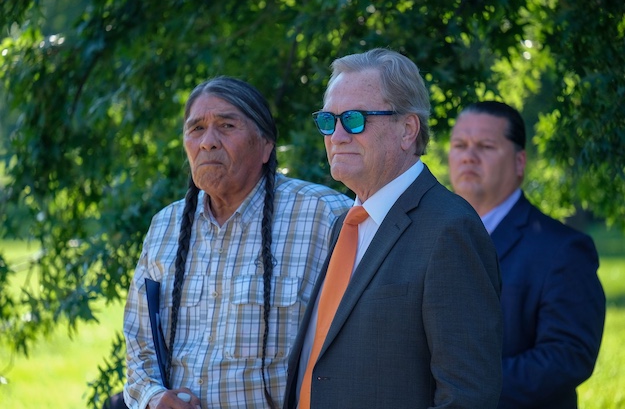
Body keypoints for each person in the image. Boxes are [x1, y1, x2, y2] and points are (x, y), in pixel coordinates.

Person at [283, 48, 503, 409]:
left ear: (407, 129)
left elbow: (467, 396)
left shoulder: (450, 229)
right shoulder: (345, 223)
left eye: (354, 119)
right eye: (328, 120)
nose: (337, 135)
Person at [122, 76, 352, 409]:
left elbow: (361, 348)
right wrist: (154, 398)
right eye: (196, 129)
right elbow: (139, 344)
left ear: (266, 145)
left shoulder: (325, 216)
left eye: (227, 126)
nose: (208, 142)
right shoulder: (164, 227)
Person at [448, 100, 606, 409]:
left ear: (520, 162)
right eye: (459, 145)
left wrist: (462, 388)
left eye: (486, 146)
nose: (468, 156)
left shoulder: (563, 250)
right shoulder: (431, 238)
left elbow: (567, 357)